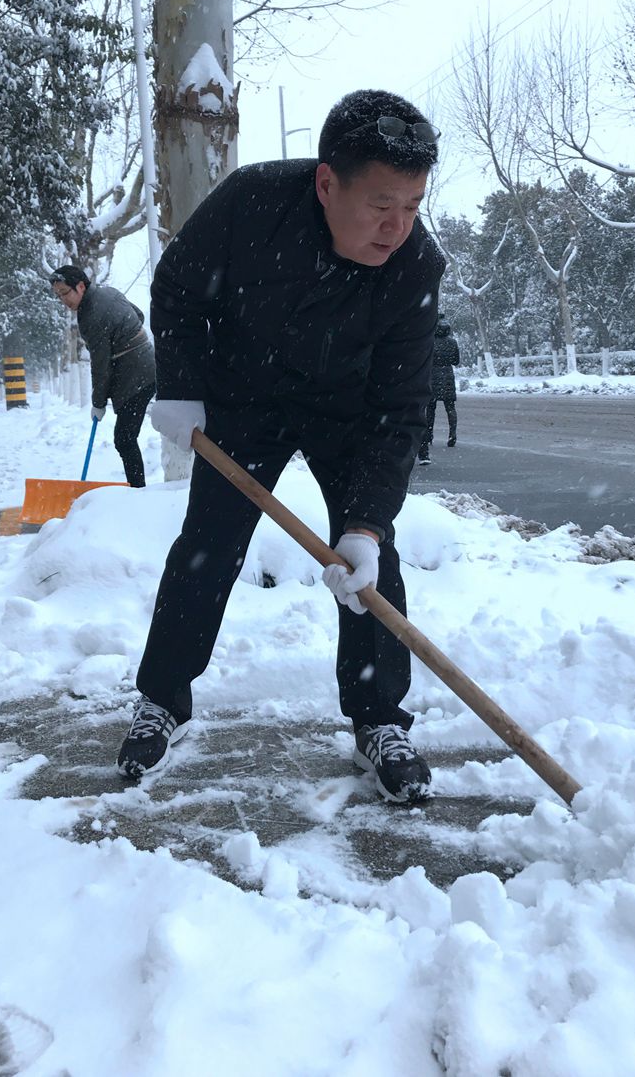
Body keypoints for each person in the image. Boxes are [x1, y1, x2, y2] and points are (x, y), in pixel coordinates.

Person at [117, 89, 445, 803]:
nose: (397, 226)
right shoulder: (251, 204)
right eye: (382, 203)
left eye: (414, 204)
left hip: (349, 413)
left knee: (370, 567)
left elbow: (400, 409)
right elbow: (176, 288)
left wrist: (365, 523)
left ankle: (380, 719)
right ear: (327, 182)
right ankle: (162, 698)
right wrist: (182, 388)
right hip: (248, 398)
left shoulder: (415, 265)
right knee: (207, 545)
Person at [50, 265, 157, 486]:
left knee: (124, 439)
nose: (63, 300)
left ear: (80, 286)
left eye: (65, 293)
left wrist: (98, 403)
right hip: (148, 365)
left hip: (135, 376)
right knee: (126, 437)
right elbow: (138, 314)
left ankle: (139, 493)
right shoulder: (108, 292)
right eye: (58, 295)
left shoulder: (90, 316)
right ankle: (138, 490)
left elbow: (101, 366)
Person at [418, 315, 461, 463]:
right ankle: (452, 435)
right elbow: (456, 361)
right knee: (450, 407)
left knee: (431, 408)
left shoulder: (430, 343)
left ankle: (429, 436)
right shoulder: (452, 342)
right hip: (448, 376)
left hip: (432, 376)